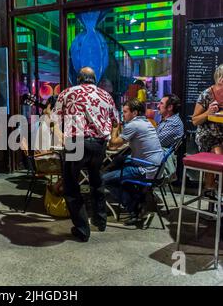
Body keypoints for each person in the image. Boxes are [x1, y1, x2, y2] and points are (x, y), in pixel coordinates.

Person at [52, 67, 120, 242]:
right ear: (94, 80)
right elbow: (116, 122)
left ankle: (83, 229)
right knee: (96, 182)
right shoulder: (106, 96)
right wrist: (112, 139)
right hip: (99, 145)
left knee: (71, 186)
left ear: (78, 79)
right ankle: (101, 221)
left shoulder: (67, 93)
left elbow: (54, 120)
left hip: (77, 143)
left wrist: (61, 138)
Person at [104, 98, 164, 226]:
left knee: (105, 179)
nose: (123, 114)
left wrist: (115, 128)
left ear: (135, 113)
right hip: (155, 167)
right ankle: (138, 199)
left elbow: (113, 144)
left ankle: (134, 208)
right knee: (119, 162)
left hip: (146, 169)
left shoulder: (134, 125)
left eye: (125, 112)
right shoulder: (146, 122)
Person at [192, 64, 223, 195]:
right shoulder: (206, 95)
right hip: (208, 135)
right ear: (220, 78)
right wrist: (208, 112)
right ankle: (212, 191)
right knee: (219, 153)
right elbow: (195, 120)